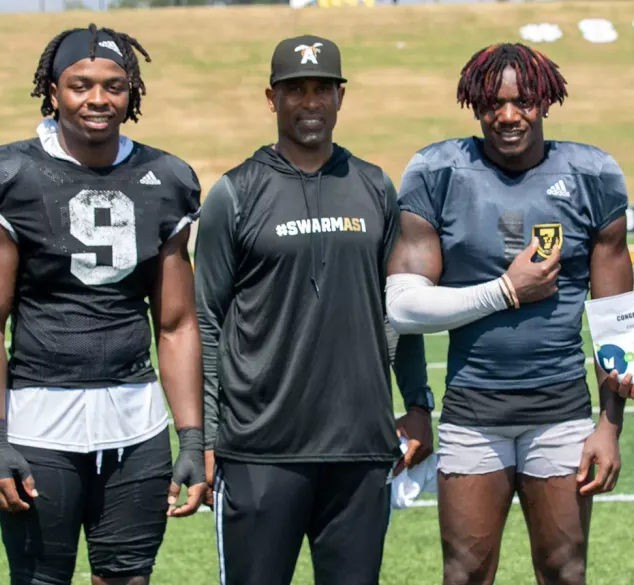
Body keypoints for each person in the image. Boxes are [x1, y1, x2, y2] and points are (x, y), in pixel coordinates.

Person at [385, 43, 634, 585]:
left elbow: (615, 321)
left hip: (560, 408)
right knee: (464, 571)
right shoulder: (439, 170)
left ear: (546, 101)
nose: (508, 116)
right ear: (475, 104)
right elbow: (403, 306)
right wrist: (505, 290)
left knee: (563, 570)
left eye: (523, 101)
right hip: (472, 409)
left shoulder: (591, 174)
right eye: (493, 103)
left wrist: (609, 426)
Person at [0, 24, 207, 585]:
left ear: (132, 93)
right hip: (40, 418)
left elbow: (174, 322)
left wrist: (191, 437)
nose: (98, 99)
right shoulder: (9, 175)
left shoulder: (166, 178)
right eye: (81, 85)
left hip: (136, 420)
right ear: (52, 90)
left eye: (114, 86)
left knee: (128, 577)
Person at [194, 34, 434, 585]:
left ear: (341, 96)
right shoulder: (234, 193)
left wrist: (417, 402)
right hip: (260, 449)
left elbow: (402, 305)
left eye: (321, 89)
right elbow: (205, 322)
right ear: (270, 98)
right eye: (294, 89)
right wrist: (204, 439)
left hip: (360, 447)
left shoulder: (374, 185)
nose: (309, 102)